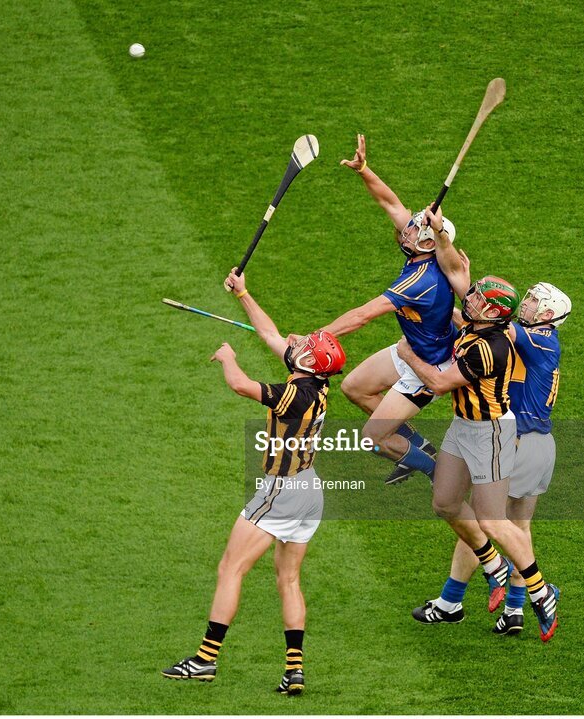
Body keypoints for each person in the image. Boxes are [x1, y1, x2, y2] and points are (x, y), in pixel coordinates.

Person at [161, 269, 346, 694]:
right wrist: (243, 293)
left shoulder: (293, 393)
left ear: (304, 361)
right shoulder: (316, 384)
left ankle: (205, 660)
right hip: (309, 489)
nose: (296, 339)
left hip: (281, 490)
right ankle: (294, 671)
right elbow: (270, 333)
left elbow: (241, 385)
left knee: (231, 567)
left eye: (303, 344)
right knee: (289, 579)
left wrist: (228, 357)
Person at [395, 244, 560, 641]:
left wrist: (407, 352)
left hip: (494, 433)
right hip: (463, 427)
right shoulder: (485, 325)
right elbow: (459, 304)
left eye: (479, 300)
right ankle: (493, 568)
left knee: (495, 520)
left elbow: (437, 381)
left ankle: (539, 590)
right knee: (445, 502)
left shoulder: (495, 345)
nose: (469, 299)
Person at [295, 134, 458, 486]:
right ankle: (418, 445)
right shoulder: (422, 249)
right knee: (355, 388)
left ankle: (435, 470)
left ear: (429, 243)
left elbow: (362, 315)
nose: (406, 228)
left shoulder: (420, 280)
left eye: (415, 228)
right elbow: (391, 204)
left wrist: (313, 339)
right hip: (413, 346)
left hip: (428, 364)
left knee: (373, 438)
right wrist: (364, 170)